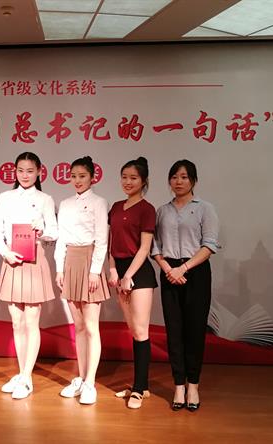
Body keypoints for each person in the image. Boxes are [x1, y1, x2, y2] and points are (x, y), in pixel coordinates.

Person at [152, 159, 219, 412]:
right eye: (174, 177)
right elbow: (156, 246)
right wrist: (168, 268)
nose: (178, 182)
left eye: (184, 177)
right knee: (174, 331)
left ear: (193, 181)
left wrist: (184, 268)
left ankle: (193, 385)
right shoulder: (162, 211)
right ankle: (178, 385)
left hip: (196, 273)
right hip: (169, 273)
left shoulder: (205, 209)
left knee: (194, 331)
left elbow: (209, 245)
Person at [0, 152, 58, 400]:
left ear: (39, 172)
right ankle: (21, 373)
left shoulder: (45, 199)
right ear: (15, 172)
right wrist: (6, 254)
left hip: (34, 259)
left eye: (30, 171)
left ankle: (27, 378)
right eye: (20, 170)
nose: (25, 175)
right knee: (17, 322)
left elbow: (54, 232)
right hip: (12, 260)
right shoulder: (5, 198)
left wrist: (43, 230)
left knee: (31, 321)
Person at [54, 156, 109, 405]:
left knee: (91, 326)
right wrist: (59, 269)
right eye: (73, 176)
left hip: (89, 262)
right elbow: (61, 239)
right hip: (70, 262)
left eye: (82, 176)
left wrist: (95, 271)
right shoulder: (65, 204)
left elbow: (102, 239)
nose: (77, 180)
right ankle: (80, 376)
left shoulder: (99, 202)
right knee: (78, 327)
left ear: (92, 178)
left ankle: (90, 382)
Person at [107, 157, 157, 409]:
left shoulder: (147, 209)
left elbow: (145, 248)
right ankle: (141, 385)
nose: (128, 182)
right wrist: (113, 268)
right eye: (124, 177)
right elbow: (110, 241)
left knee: (140, 331)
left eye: (133, 178)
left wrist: (129, 276)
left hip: (139, 273)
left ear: (144, 181)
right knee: (133, 330)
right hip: (119, 270)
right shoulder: (116, 207)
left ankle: (139, 389)